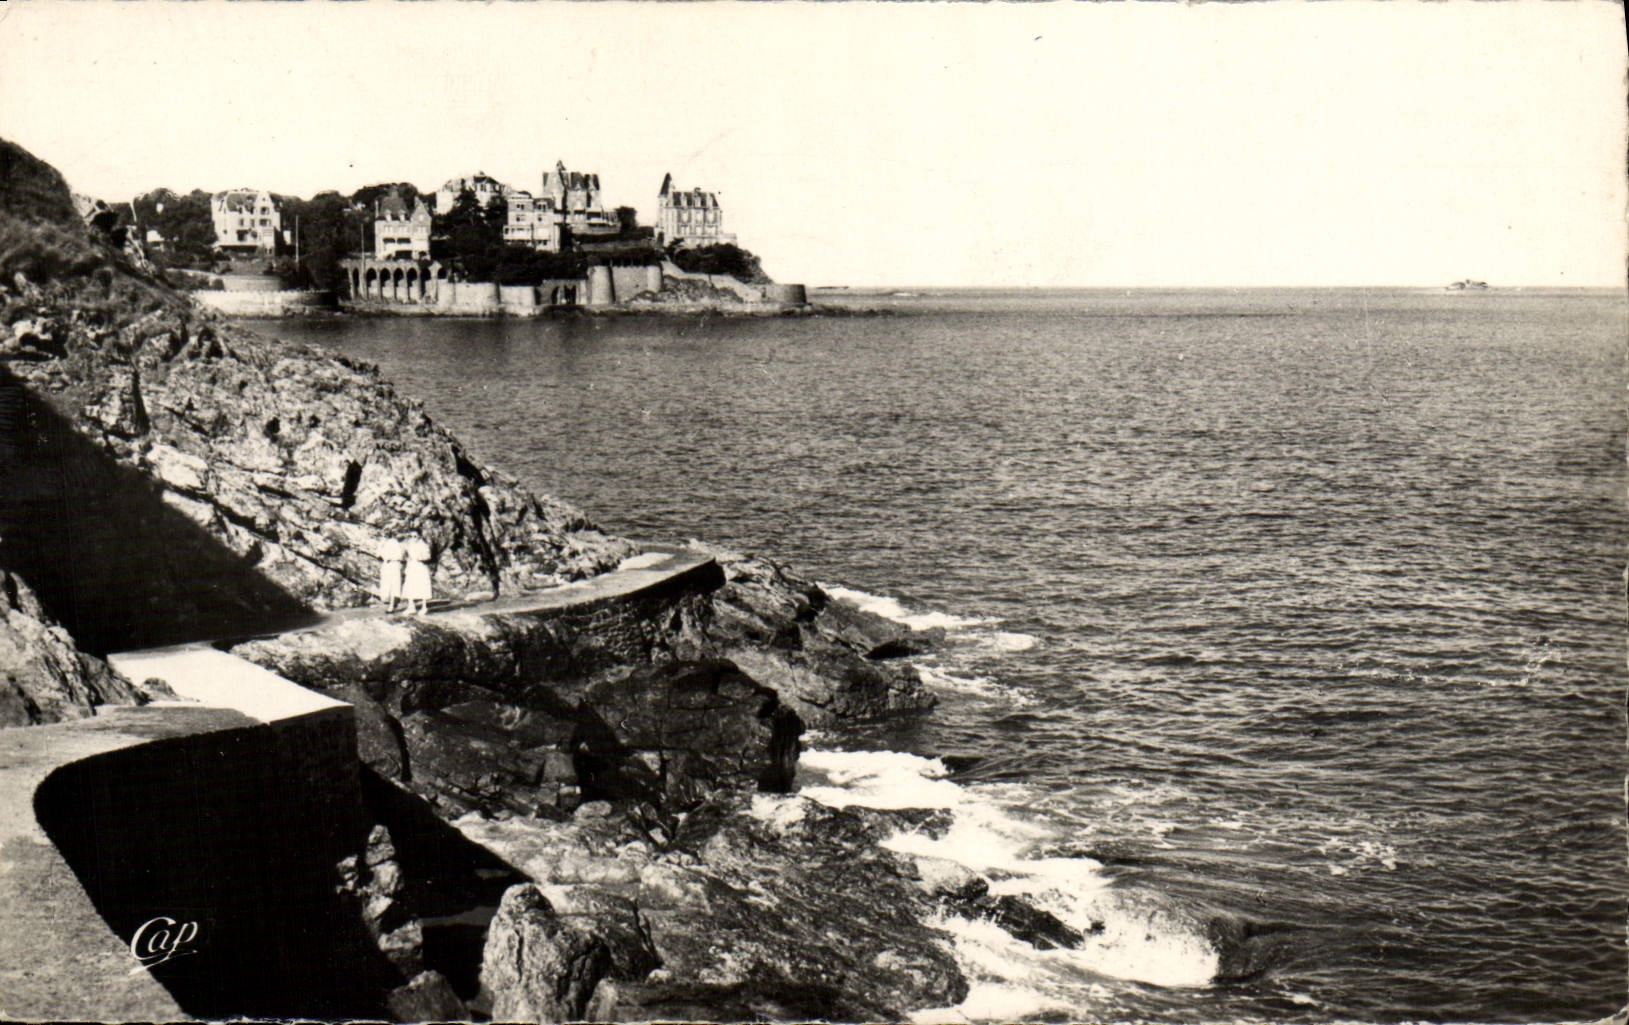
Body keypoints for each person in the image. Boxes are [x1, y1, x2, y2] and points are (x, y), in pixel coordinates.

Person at [402, 536, 433, 616]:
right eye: (411, 536)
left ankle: (424, 607)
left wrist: (420, 558)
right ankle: (411, 607)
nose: (413, 538)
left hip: (420, 567)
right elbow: (407, 555)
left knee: (422, 586)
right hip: (412, 567)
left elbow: (428, 556)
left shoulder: (423, 545)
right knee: (410, 586)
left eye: (415, 536)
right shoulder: (410, 545)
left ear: (419, 536)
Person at [377, 536, 405, 613]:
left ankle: (392, 605)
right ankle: (392, 602)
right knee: (386, 585)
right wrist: (381, 545)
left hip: (394, 565)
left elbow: (400, 556)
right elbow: (378, 555)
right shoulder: (382, 543)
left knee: (394, 585)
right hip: (386, 565)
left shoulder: (394, 543)